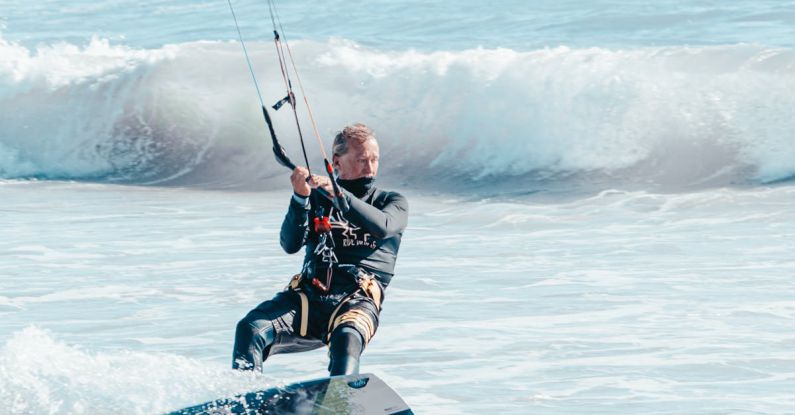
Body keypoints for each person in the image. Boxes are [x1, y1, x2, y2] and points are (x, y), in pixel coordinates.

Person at [233, 123, 409, 376]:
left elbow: (383, 227)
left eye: (374, 159)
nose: (369, 168)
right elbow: (290, 244)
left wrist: (338, 194)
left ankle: (341, 403)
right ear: (337, 161)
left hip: (356, 300)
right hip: (308, 298)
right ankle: (243, 402)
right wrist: (300, 198)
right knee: (250, 328)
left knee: (346, 338)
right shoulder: (316, 198)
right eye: (361, 160)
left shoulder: (391, 202)